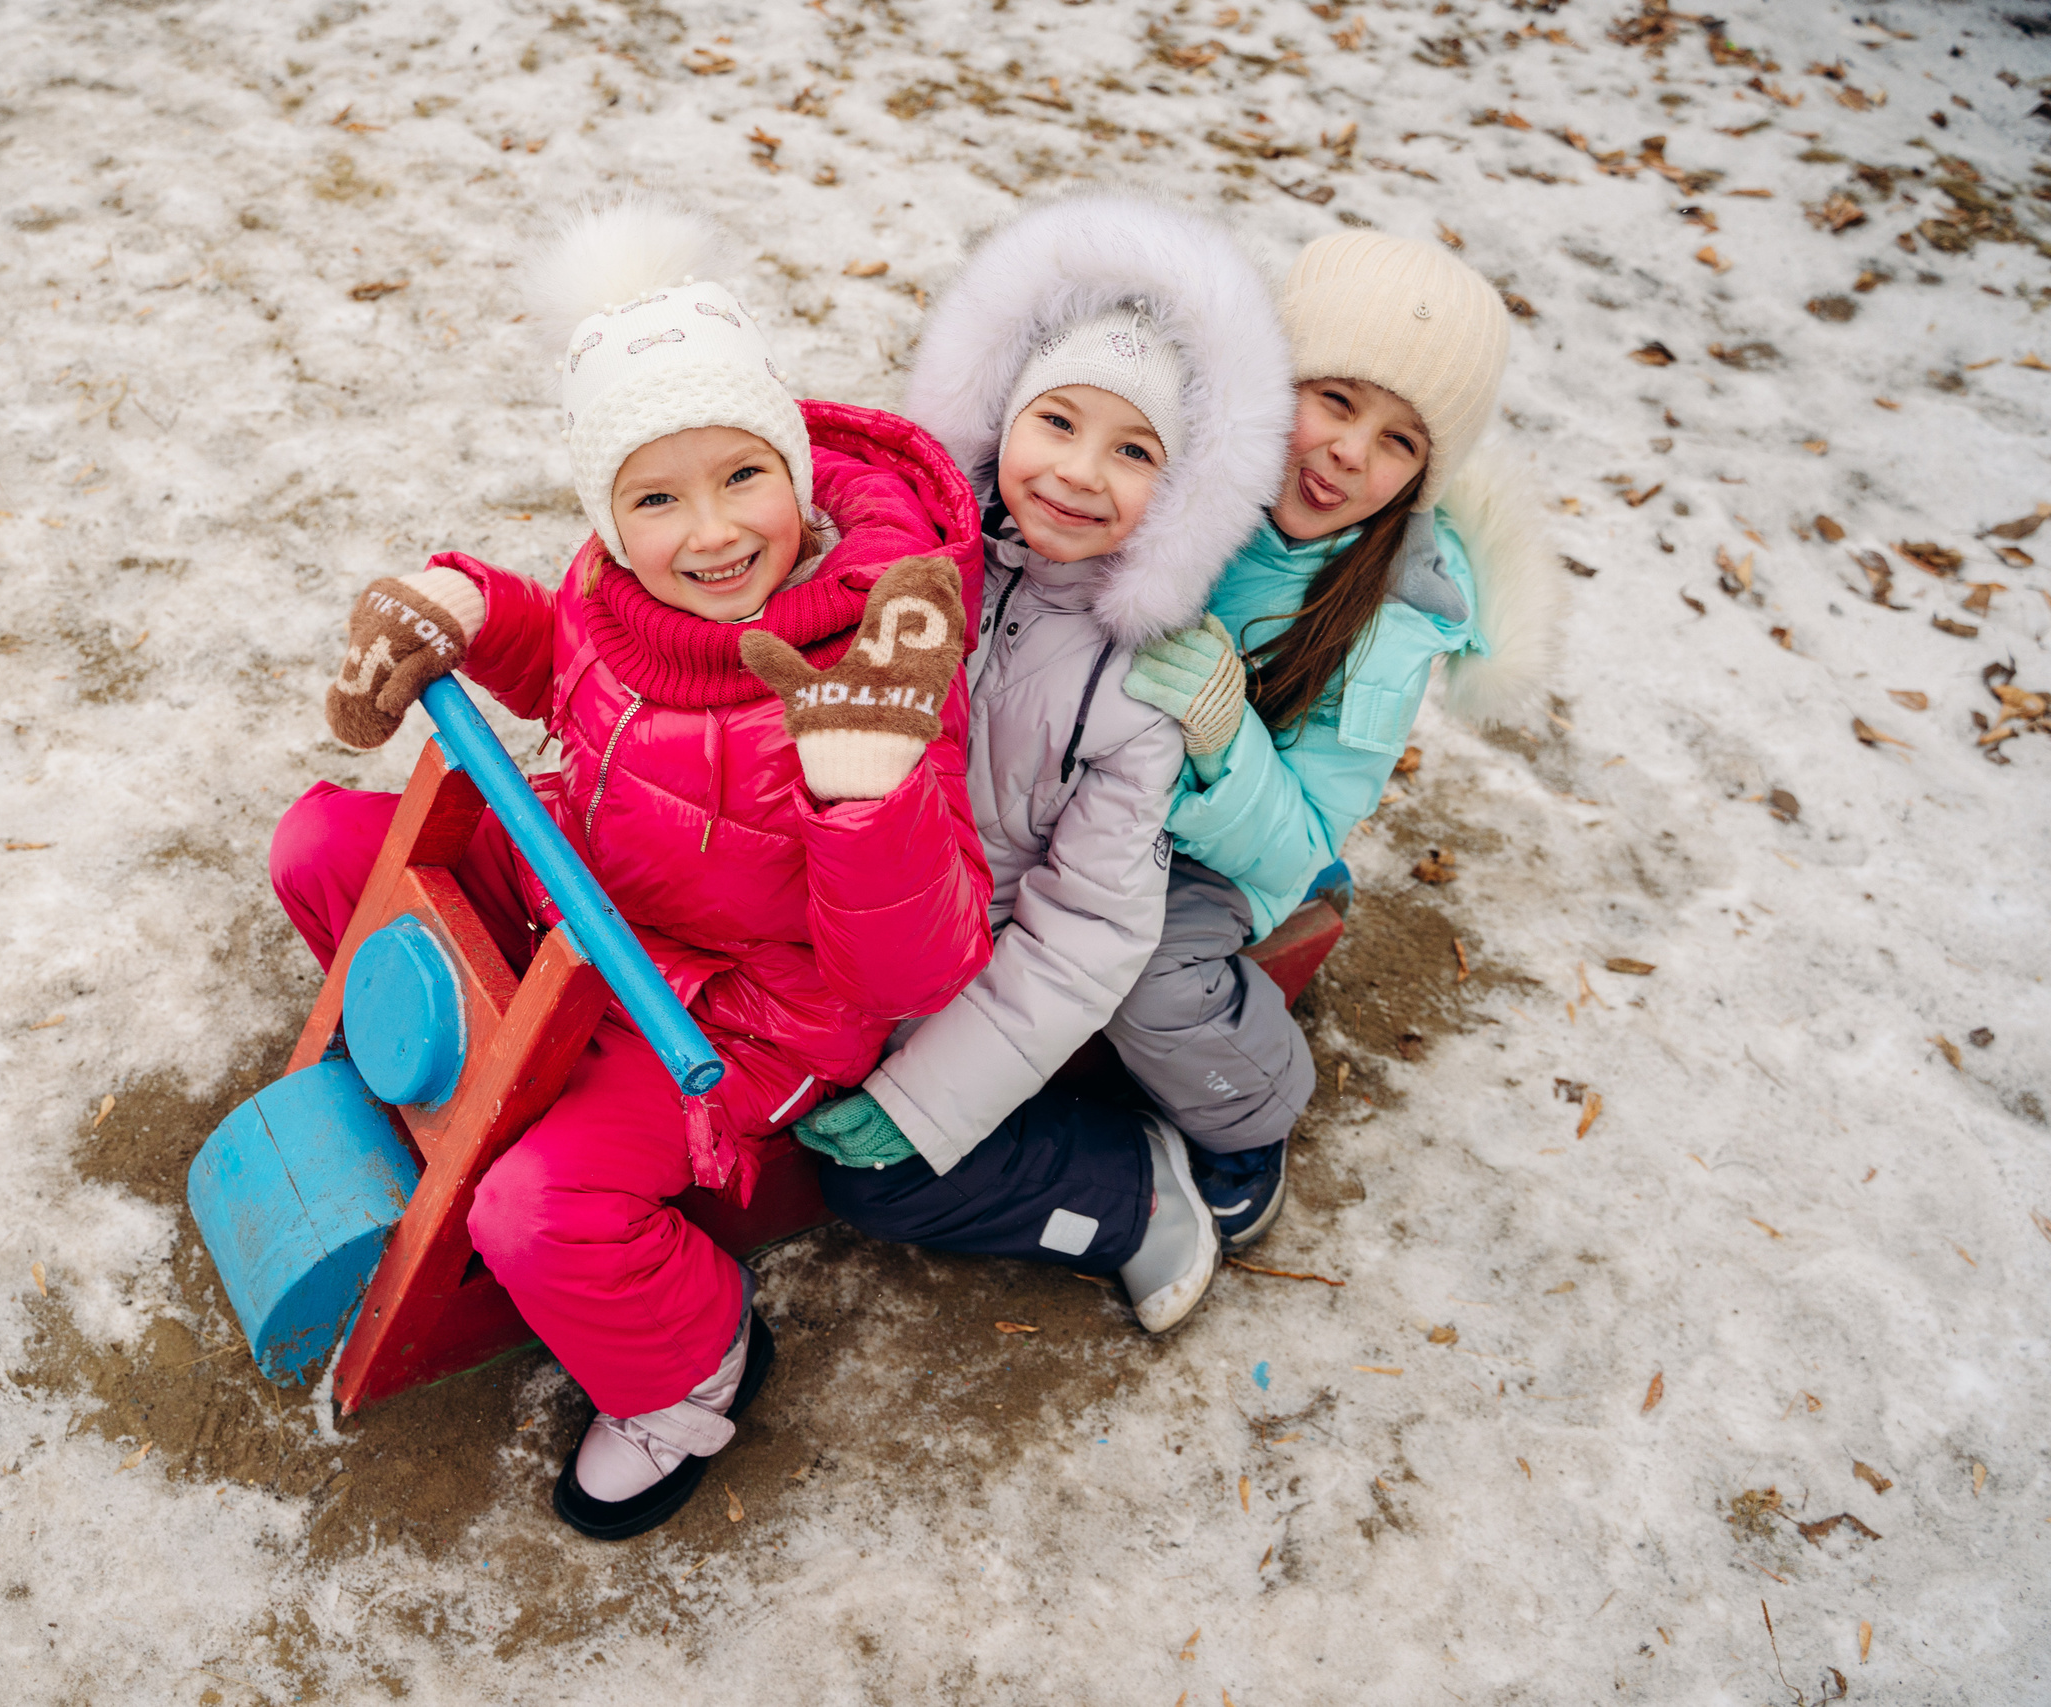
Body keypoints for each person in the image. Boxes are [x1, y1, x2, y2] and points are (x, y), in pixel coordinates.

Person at [272, 201, 994, 1539]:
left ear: (795, 471)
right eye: (656, 498)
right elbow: (575, 664)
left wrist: (865, 793)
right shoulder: (623, 587)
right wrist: (472, 607)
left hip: (732, 1005)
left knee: (540, 1206)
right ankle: (410, 1084)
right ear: (608, 515)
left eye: (743, 478)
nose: (712, 532)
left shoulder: (875, 666)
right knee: (322, 843)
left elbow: (917, 962)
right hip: (588, 883)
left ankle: (692, 1364)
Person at [792, 196, 1295, 1334]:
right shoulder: (904, 555)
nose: (1077, 472)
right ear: (1000, 414)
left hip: (966, 959)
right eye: (1056, 422)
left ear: (1184, 491)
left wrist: (923, 1102)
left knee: (872, 1177)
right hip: (827, 906)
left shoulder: (1139, 686)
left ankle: (1127, 1198)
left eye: (1133, 452)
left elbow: (1088, 932)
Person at [1115, 230, 1564, 1247]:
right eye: (1337, 399)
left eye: (1400, 442)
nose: (1351, 453)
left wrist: (1224, 739)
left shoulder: (1393, 620)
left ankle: (1248, 1112)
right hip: (1080, 778)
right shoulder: (1157, 456)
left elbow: (1307, 829)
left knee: (1145, 980)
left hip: (1223, 847)